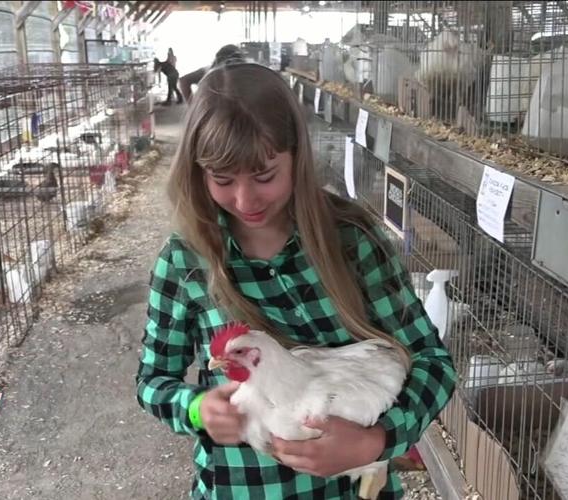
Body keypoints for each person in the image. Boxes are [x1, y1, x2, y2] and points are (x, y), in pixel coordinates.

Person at [136, 62, 457, 499]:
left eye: (265, 176)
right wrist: (194, 408)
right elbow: (153, 381)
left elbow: (431, 360)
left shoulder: (351, 241)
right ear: (197, 172)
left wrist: (376, 440)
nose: (245, 199)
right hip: (242, 489)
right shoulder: (185, 261)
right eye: (223, 180)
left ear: (297, 157)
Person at [177, 44, 247, 103]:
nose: (230, 63)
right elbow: (183, 80)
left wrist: (192, 106)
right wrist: (192, 106)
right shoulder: (208, 71)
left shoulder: (208, 71)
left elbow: (183, 81)